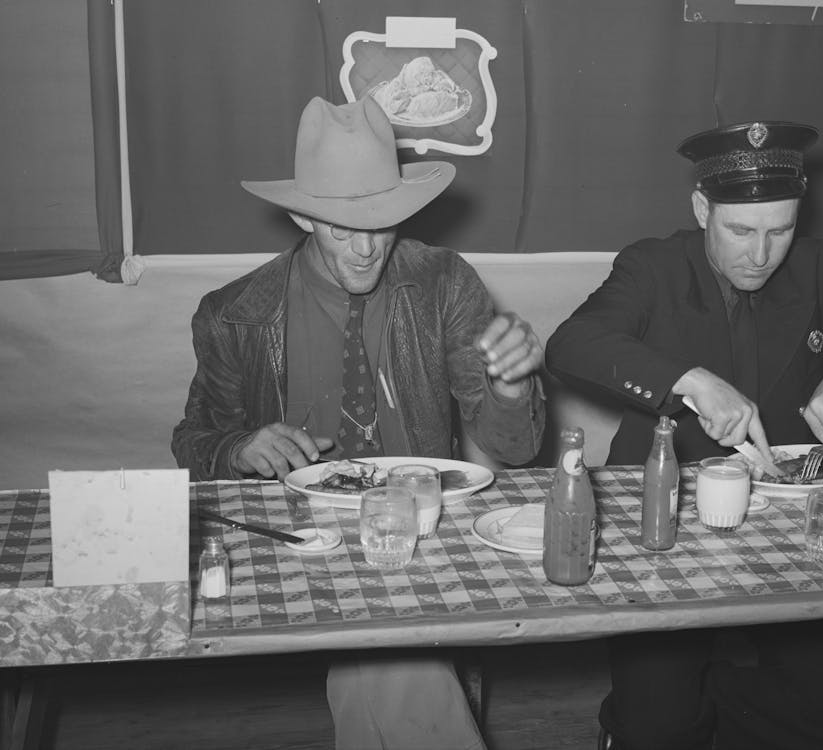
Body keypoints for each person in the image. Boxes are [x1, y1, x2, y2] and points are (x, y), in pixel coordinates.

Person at [546, 121, 823, 750]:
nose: (761, 255)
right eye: (740, 231)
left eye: (779, 231)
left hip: (789, 523)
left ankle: (720, 699)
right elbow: (571, 344)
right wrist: (689, 380)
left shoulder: (812, 267)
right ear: (701, 209)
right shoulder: (652, 266)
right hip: (666, 517)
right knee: (659, 728)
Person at [172, 95, 545, 750]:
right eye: (343, 229)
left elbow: (514, 449)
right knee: (389, 653)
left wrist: (511, 386)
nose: (368, 248)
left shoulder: (443, 283)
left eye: (383, 224)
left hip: (423, 532)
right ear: (300, 216)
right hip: (301, 543)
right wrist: (239, 447)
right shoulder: (234, 314)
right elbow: (192, 444)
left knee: (380, 657)